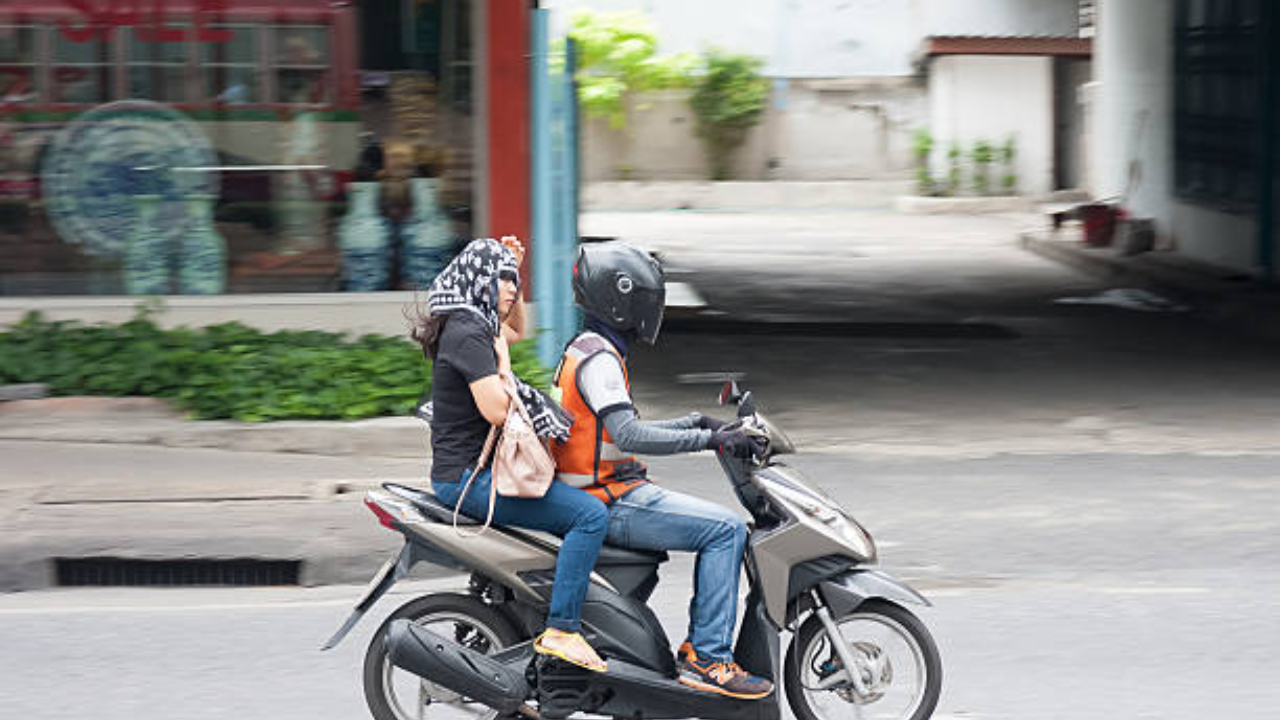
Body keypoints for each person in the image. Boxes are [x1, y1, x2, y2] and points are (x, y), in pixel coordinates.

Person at [551, 241, 774, 699]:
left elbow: (615, 430)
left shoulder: (589, 350)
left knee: (721, 527)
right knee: (727, 530)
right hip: (609, 499)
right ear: (621, 299)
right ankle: (709, 659)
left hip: (608, 490)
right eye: (648, 300)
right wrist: (711, 438)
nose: (653, 311)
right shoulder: (601, 362)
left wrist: (699, 422)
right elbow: (630, 435)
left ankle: (705, 652)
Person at [412, 236, 609, 672]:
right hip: (469, 480)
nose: (511, 288)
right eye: (502, 279)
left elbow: (515, 330)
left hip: (470, 471)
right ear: (478, 279)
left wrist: (516, 270)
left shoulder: (472, 323)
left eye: (514, 280)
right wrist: (503, 366)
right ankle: (563, 628)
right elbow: (499, 411)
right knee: (590, 516)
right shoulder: (468, 333)